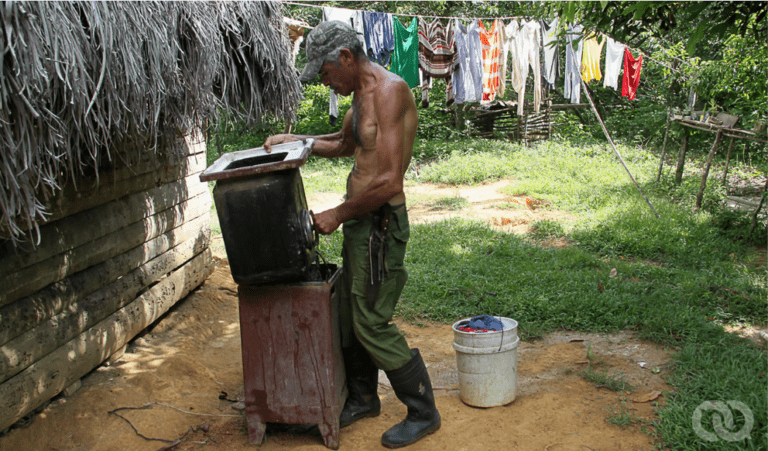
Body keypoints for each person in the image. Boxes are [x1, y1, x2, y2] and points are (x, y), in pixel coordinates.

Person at [263, 20, 440, 449]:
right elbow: (344, 144)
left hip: (380, 226)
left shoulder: (389, 92)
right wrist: (296, 139)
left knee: (371, 321)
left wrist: (337, 214)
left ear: (344, 58)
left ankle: (423, 411)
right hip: (362, 224)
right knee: (348, 315)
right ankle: (363, 398)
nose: (325, 82)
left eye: (324, 74)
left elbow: (390, 181)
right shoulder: (358, 98)